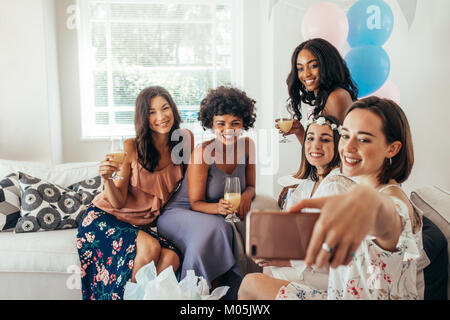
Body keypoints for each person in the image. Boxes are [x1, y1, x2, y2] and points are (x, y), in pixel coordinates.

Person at [239, 97, 422, 300]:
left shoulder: (392, 200)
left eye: (363, 139)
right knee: (250, 284)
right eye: (345, 136)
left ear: (392, 148)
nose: (348, 147)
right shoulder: (356, 187)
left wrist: (372, 206)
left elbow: (390, 218)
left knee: (251, 285)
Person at [76, 86, 194, 300]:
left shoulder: (184, 140)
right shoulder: (132, 147)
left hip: (140, 225)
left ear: (173, 110)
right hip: (107, 217)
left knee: (171, 259)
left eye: (165, 108)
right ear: (143, 117)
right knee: (150, 247)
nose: (160, 116)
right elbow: (118, 202)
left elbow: (194, 180)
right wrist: (106, 179)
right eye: (151, 112)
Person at [157, 86, 257, 299]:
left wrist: (247, 196)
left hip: (212, 213)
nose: (228, 130)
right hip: (180, 213)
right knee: (219, 227)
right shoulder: (202, 153)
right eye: (221, 123)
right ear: (211, 124)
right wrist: (218, 208)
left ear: (244, 124)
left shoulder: (248, 147)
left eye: (235, 123)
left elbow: (251, 186)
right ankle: (192, 295)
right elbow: (196, 203)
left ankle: (221, 295)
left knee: (223, 226)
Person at [248, 115, 354, 289]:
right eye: (310, 138)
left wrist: (286, 260)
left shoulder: (336, 186)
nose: (316, 146)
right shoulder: (308, 183)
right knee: (266, 268)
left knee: (255, 281)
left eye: (325, 140)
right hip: (307, 261)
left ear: (338, 145)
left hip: (331, 273)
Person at [277, 38, 358, 144]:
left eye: (313, 66)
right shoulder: (323, 97)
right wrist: (300, 132)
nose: (306, 74)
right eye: (300, 68)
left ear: (328, 66)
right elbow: (318, 151)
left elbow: (336, 153)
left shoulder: (336, 97)